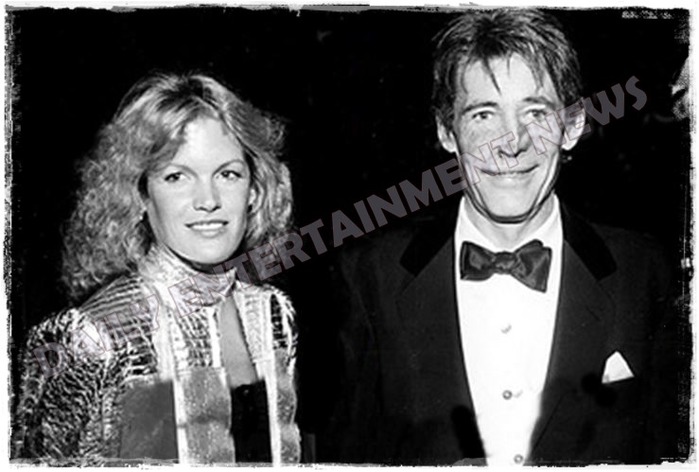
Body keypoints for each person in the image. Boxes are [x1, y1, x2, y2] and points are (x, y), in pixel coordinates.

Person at [324, 8, 684, 465]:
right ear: (447, 131)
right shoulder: (370, 276)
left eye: (536, 113)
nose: (511, 142)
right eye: (483, 114)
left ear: (572, 127)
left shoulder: (646, 273)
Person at [12, 72, 300, 465]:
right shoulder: (91, 338)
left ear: (254, 190)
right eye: (176, 177)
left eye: (228, 174)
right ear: (141, 196)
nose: (208, 200)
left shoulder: (274, 314)